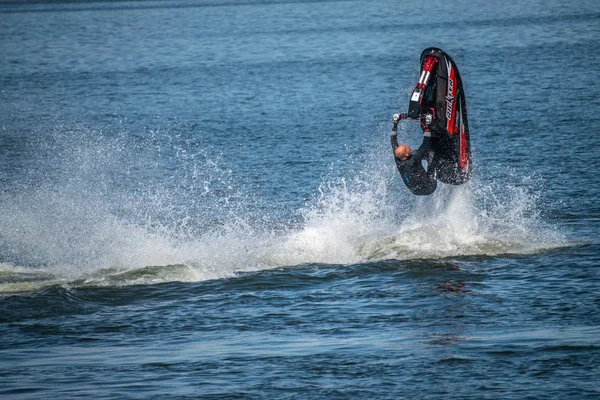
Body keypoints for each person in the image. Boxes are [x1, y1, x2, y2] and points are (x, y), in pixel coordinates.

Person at [390, 113, 437, 195]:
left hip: (415, 191)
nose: (408, 146)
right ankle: (443, 165)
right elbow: (425, 144)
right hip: (429, 187)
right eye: (406, 148)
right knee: (431, 154)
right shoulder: (413, 160)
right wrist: (428, 126)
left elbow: (393, 140)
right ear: (406, 155)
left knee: (415, 152)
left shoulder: (398, 158)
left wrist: (395, 123)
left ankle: (424, 159)